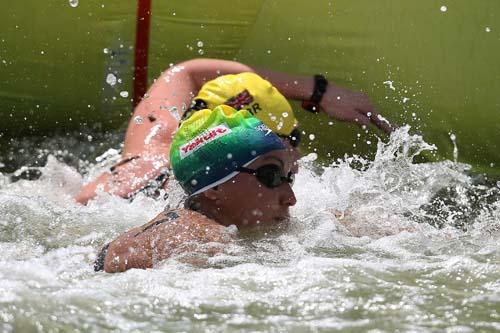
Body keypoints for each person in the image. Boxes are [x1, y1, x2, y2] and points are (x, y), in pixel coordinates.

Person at [76, 58, 393, 204]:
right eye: (289, 141)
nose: (296, 154)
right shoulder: (260, 196)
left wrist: (318, 91)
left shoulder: (154, 141)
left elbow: (184, 71)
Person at [95, 105, 296, 273]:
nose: (290, 198)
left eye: (289, 177)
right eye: (272, 176)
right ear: (215, 187)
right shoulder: (207, 240)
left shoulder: (180, 226)